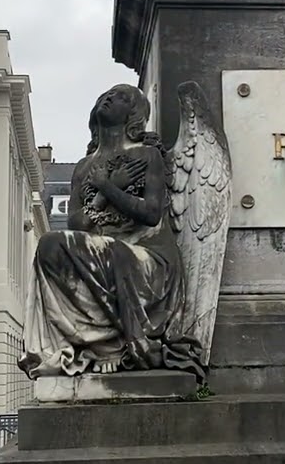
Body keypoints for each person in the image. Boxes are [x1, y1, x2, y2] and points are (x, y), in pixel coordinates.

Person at [19, 84, 200, 378]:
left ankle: (115, 345)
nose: (108, 99)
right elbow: (77, 224)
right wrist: (104, 192)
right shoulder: (84, 167)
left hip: (149, 258)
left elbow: (152, 214)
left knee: (115, 252)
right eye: (105, 96)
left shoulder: (147, 156)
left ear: (133, 115)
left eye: (120, 97)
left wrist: (108, 187)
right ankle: (89, 343)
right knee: (49, 245)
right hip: (105, 251)